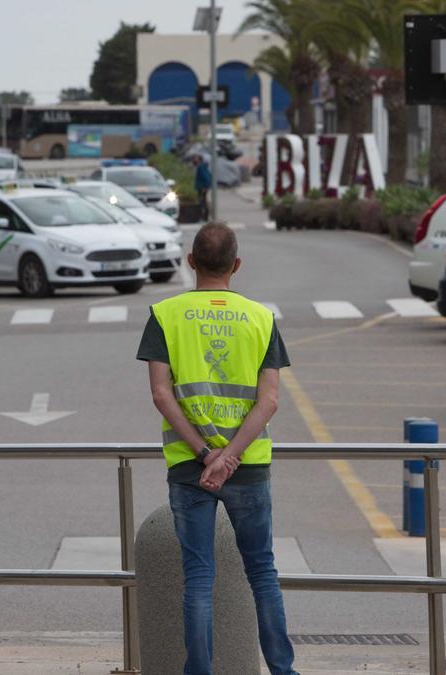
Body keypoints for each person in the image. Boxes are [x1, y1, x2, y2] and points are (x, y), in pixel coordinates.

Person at [136, 222, 297, 675]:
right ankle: (283, 670)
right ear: (236, 265)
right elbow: (269, 401)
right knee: (262, 574)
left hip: (190, 467)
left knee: (199, 578)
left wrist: (207, 455)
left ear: (190, 262)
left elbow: (161, 395)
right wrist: (230, 457)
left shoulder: (165, 315)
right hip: (247, 467)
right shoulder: (261, 318)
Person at [193, 155, 213, 222]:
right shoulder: (202, 167)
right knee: (203, 201)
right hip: (201, 187)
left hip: (202, 188)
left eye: (196, 159)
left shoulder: (201, 167)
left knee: (203, 202)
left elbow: (206, 177)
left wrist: (205, 186)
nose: (194, 160)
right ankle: (204, 217)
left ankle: (204, 217)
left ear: (199, 160)